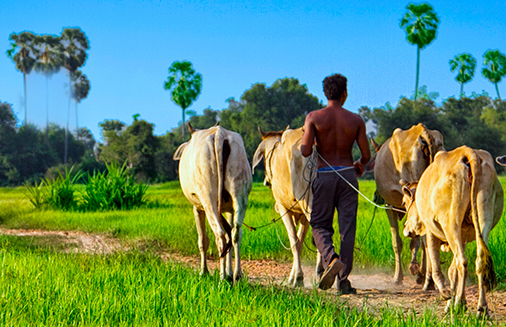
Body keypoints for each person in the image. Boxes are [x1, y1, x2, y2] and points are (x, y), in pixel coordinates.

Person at [301, 73, 370, 294]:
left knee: (319, 225)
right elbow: (366, 156)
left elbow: (305, 151)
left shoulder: (313, 117)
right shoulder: (356, 120)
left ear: (325, 93)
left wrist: (312, 140)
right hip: (348, 176)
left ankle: (331, 259)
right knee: (347, 230)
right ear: (344, 94)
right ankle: (343, 280)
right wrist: (359, 164)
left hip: (325, 175)